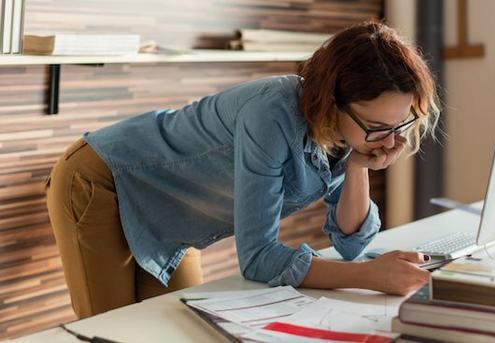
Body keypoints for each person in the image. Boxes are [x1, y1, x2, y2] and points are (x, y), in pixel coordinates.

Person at [45, 20, 441, 319]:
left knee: (176, 327)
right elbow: (258, 257)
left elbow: (351, 246)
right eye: (378, 128)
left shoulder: (345, 136)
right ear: (332, 102)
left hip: (171, 215)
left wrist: (358, 167)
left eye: (400, 125)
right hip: (104, 178)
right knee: (114, 330)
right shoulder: (271, 112)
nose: (390, 142)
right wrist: (373, 277)